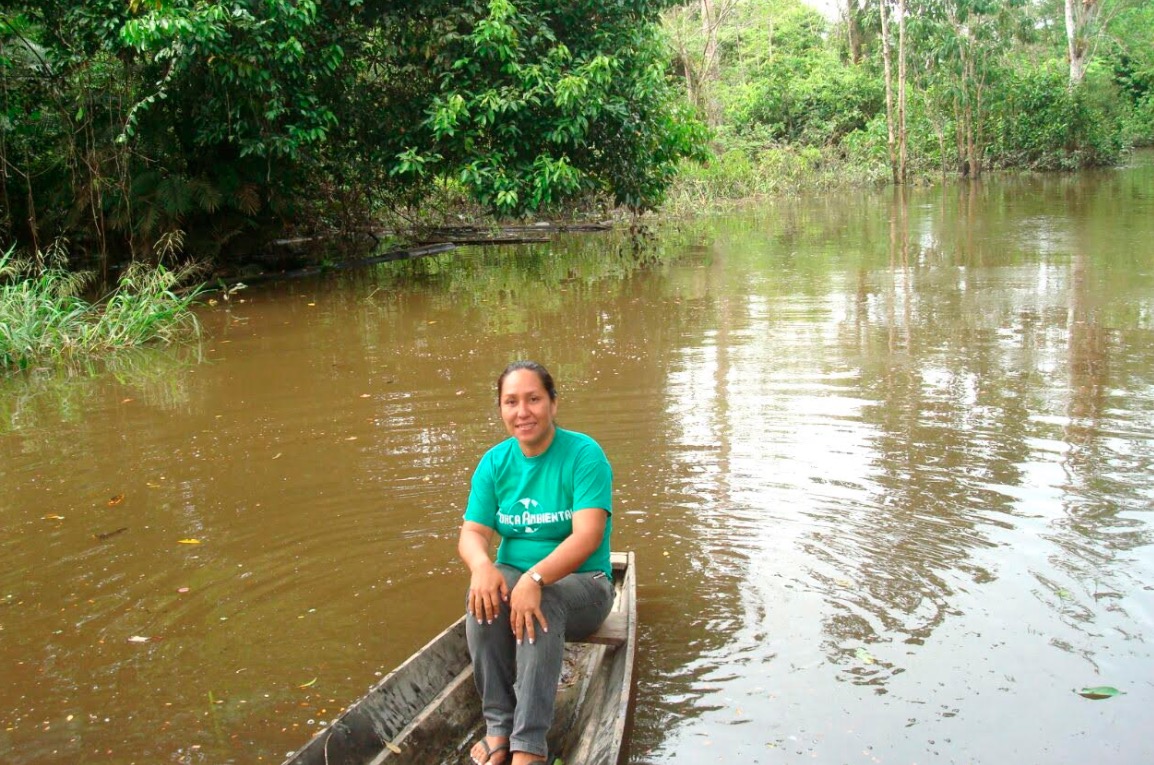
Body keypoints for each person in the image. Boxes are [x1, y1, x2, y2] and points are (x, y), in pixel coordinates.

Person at [458, 361, 615, 765]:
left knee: (540, 604)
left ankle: (528, 747)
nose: (522, 411)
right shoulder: (494, 462)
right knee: (482, 603)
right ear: (501, 410)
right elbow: (473, 534)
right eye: (511, 402)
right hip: (516, 576)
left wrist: (536, 577)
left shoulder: (584, 454)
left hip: (584, 583)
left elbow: (588, 536)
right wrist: (481, 566)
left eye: (533, 399)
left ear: (553, 404)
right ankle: (498, 728)